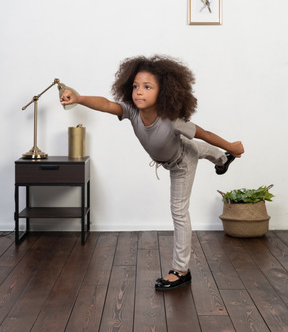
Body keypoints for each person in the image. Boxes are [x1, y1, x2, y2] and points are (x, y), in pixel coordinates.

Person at [60, 55, 244, 291]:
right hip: (173, 154)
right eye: (136, 86)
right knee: (196, 149)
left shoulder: (173, 122)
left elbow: (204, 133)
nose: (139, 92)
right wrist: (79, 98)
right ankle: (222, 160)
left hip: (180, 164)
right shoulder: (131, 112)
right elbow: (106, 104)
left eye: (147, 87)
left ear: (163, 91)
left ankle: (181, 270)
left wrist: (232, 146)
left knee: (179, 207)